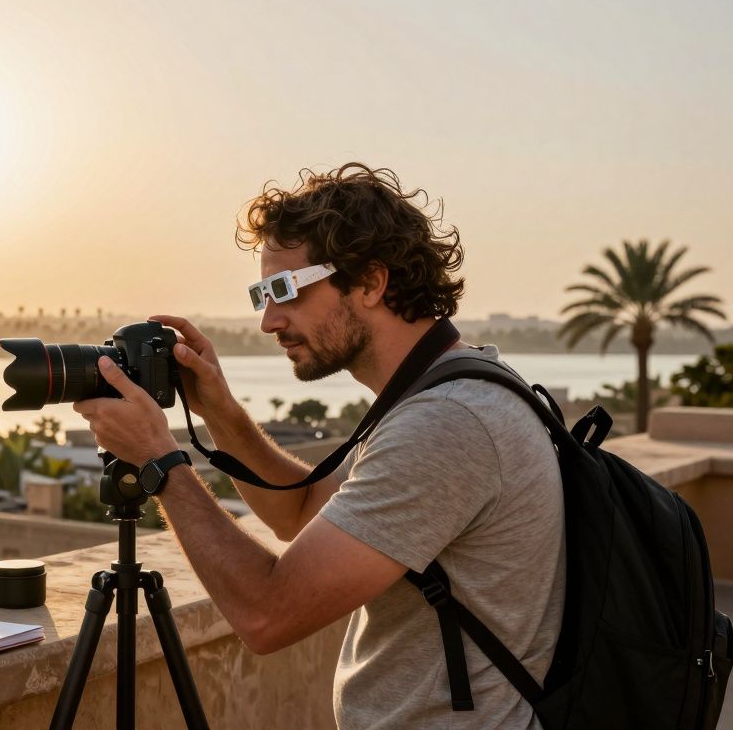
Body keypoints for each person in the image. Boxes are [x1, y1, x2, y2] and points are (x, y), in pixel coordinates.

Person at [74, 163, 565, 729]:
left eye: (285, 290)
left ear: (371, 283)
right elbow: (302, 514)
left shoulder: (448, 423)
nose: (267, 320)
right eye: (262, 292)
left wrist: (160, 462)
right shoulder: (443, 387)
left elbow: (266, 616)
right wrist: (221, 413)